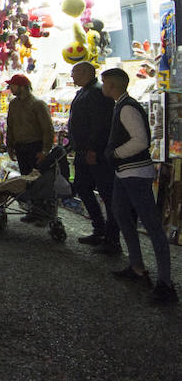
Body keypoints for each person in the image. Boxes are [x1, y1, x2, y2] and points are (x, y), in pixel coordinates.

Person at [100, 68, 177, 304]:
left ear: (112, 85)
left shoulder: (127, 108)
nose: (102, 87)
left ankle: (166, 284)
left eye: (105, 83)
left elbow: (141, 141)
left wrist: (115, 153)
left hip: (134, 173)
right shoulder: (123, 105)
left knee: (152, 226)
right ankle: (136, 266)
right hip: (126, 173)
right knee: (122, 215)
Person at [67, 62, 120, 252]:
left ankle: (112, 239)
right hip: (83, 151)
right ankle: (100, 228)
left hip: (95, 153)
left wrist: (92, 149)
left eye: (74, 73)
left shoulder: (97, 92)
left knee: (107, 193)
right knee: (82, 187)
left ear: (85, 73)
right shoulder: (85, 91)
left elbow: (101, 125)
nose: (71, 76)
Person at [4, 74, 54, 222]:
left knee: (38, 180)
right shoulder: (13, 104)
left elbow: (48, 129)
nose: (10, 87)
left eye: (13, 85)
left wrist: (45, 150)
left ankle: (42, 212)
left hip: (35, 146)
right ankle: (34, 211)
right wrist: (10, 146)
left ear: (22, 86)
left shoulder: (37, 104)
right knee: (26, 179)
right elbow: (10, 126)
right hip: (20, 147)